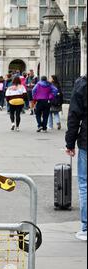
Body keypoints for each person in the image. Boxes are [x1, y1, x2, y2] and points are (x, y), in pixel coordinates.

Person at [65, 75, 87, 241]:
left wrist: (70, 142)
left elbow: (74, 115)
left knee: (85, 184)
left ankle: (86, 228)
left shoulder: (82, 84)